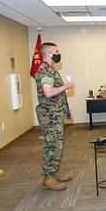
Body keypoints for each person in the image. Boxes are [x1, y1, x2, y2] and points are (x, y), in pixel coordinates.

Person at [35, 42, 75, 191]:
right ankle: (48, 178)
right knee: (52, 146)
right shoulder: (45, 71)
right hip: (49, 116)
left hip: (55, 114)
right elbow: (48, 92)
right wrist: (67, 86)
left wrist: (66, 111)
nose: (58, 54)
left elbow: (56, 95)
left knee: (57, 145)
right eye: (56, 51)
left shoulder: (50, 70)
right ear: (48, 54)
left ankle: (54, 172)